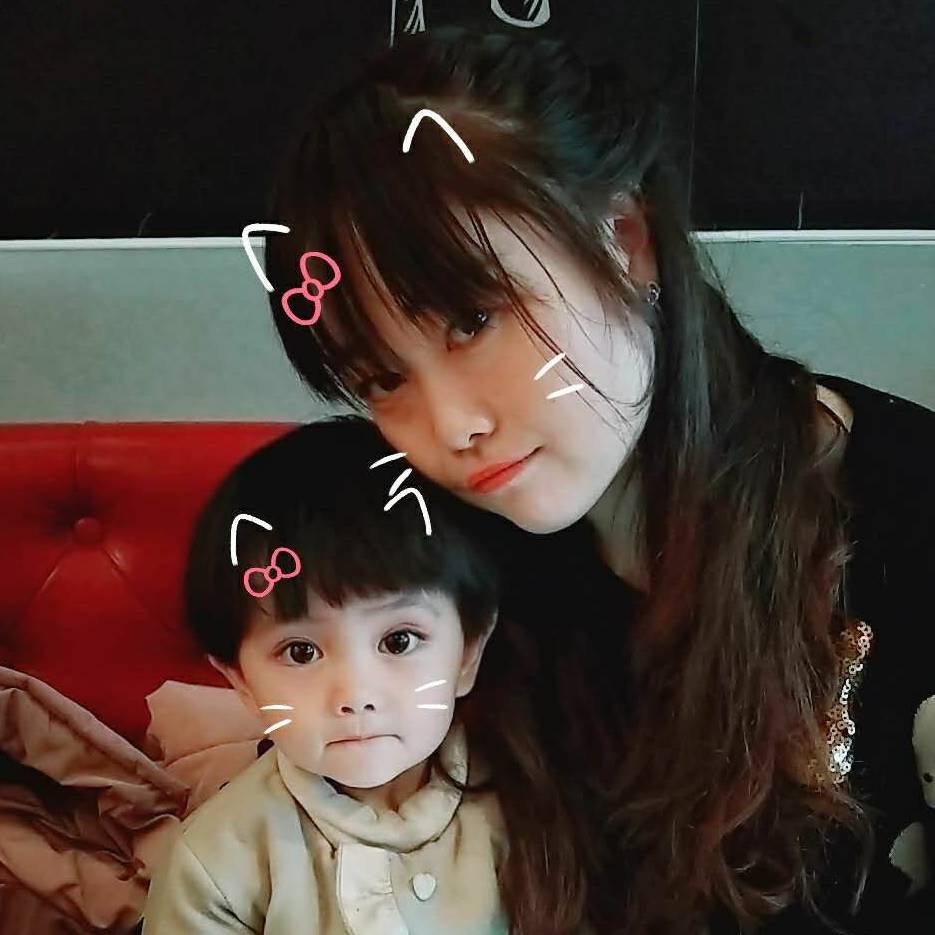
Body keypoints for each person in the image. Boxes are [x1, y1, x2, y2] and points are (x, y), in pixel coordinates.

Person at [262, 24, 935, 935]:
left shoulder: (903, 509)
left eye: (472, 318)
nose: (450, 427)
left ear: (623, 239)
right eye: (382, 379)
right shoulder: (426, 554)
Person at [142, 417, 591, 935]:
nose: (355, 695)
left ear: (468, 654)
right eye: (301, 652)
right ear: (241, 682)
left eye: (399, 641)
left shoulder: (539, 799)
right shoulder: (214, 864)